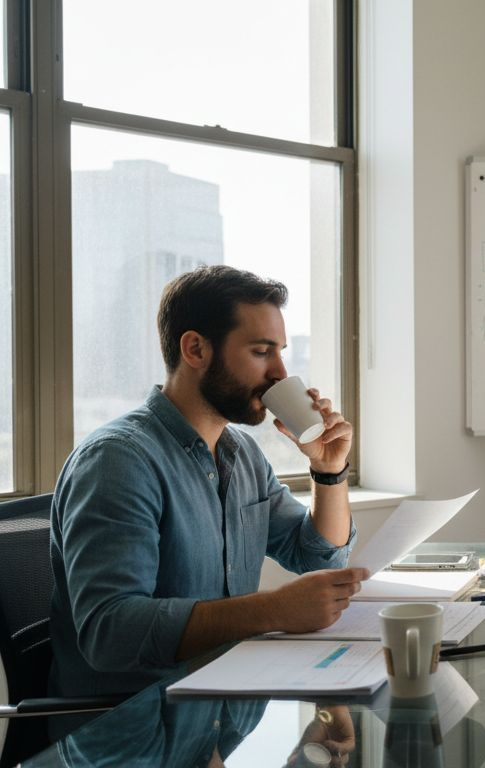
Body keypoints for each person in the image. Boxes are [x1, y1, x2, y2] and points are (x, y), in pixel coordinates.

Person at [48, 265, 370, 710]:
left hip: (226, 711)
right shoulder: (117, 461)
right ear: (195, 349)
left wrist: (328, 471)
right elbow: (110, 632)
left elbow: (317, 557)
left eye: (280, 353)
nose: (280, 373)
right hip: (138, 725)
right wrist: (271, 611)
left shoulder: (241, 454)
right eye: (262, 352)